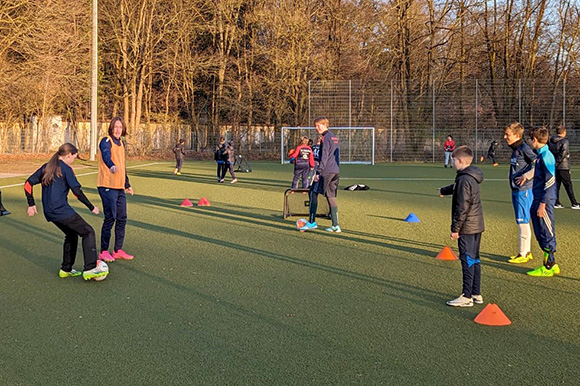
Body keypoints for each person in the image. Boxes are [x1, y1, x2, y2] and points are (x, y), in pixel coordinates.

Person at [24, 143, 108, 280]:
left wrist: (31, 204)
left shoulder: (46, 166)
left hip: (50, 212)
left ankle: (66, 269)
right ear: (69, 155)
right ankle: (91, 268)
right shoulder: (66, 169)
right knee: (88, 231)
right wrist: (91, 207)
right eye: (73, 157)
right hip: (61, 211)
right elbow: (76, 192)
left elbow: (28, 184)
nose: (73, 160)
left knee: (71, 235)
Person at [439, 146, 484, 307]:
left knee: (467, 259)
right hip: (476, 224)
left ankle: (466, 296)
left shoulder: (464, 179)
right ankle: (476, 293)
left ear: (460, 161)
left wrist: (455, 228)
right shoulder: (469, 176)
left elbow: (463, 206)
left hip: (467, 226)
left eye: (453, 160)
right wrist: (444, 190)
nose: (452, 163)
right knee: (475, 259)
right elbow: (457, 188)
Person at [97, 116, 135, 262]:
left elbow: (122, 166)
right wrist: (111, 165)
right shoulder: (106, 141)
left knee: (122, 218)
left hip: (119, 187)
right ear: (112, 128)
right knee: (110, 218)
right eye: (116, 127)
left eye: (120, 127)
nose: (118, 129)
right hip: (107, 186)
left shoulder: (122, 144)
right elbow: (106, 155)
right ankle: (104, 251)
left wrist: (127, 184)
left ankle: (118, 249)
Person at [526, 127, 560, 277]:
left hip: (543, 200)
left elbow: (551, 180)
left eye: (530, 139)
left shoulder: (546, 156)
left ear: (534, 139)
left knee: (547, 232)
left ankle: (548, 266)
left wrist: (543, 204)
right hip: (537, 198)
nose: (529, 142)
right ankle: (552, 264)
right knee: (540, 232)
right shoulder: (540, 155)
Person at [300, 117, 341, 233]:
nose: (317, 128)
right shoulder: (334, 137)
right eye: (316, 126)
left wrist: (319, 172)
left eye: (319, 126)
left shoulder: (325, 138)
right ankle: (335, 225)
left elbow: (325, 156)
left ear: (325, 125)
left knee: (312, 191)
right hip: (335, 171)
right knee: (330, 196)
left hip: (326, 171)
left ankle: (312, 222)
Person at [503, 123, 536, 264]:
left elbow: (537, 163)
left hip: (524, 190)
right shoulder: (516, 149)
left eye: (507, 134)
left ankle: (523, 254)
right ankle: (526, 252)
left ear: (517, 135)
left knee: (522, 221)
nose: (505, 137)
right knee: (522, 221)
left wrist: (526, 176)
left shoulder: (524, 148)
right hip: (516, 190)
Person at [548, 126, 579, 209]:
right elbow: (563, 153)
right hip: (563, 167)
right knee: (568, 185)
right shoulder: (564, 141)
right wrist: (557, 163)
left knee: (557, 185)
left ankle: (556, 202)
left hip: (555, 166)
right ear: (564, 132)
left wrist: (554, 164)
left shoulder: (551, 140)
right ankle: (574, 203)